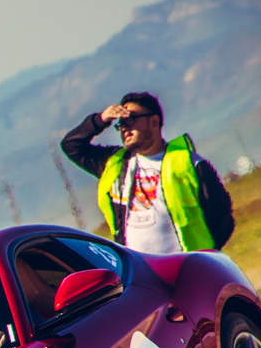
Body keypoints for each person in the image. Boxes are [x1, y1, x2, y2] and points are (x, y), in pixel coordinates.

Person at [61, 92, 233, 254]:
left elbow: (222, 216)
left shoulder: (189, 163)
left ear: (153, 121)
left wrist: (205, 254)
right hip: (140, 272)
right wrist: (101, 119)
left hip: (188, 267)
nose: (124, 128)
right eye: (120, 123)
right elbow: (71, 146)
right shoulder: (115, 163)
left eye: (130, 119)